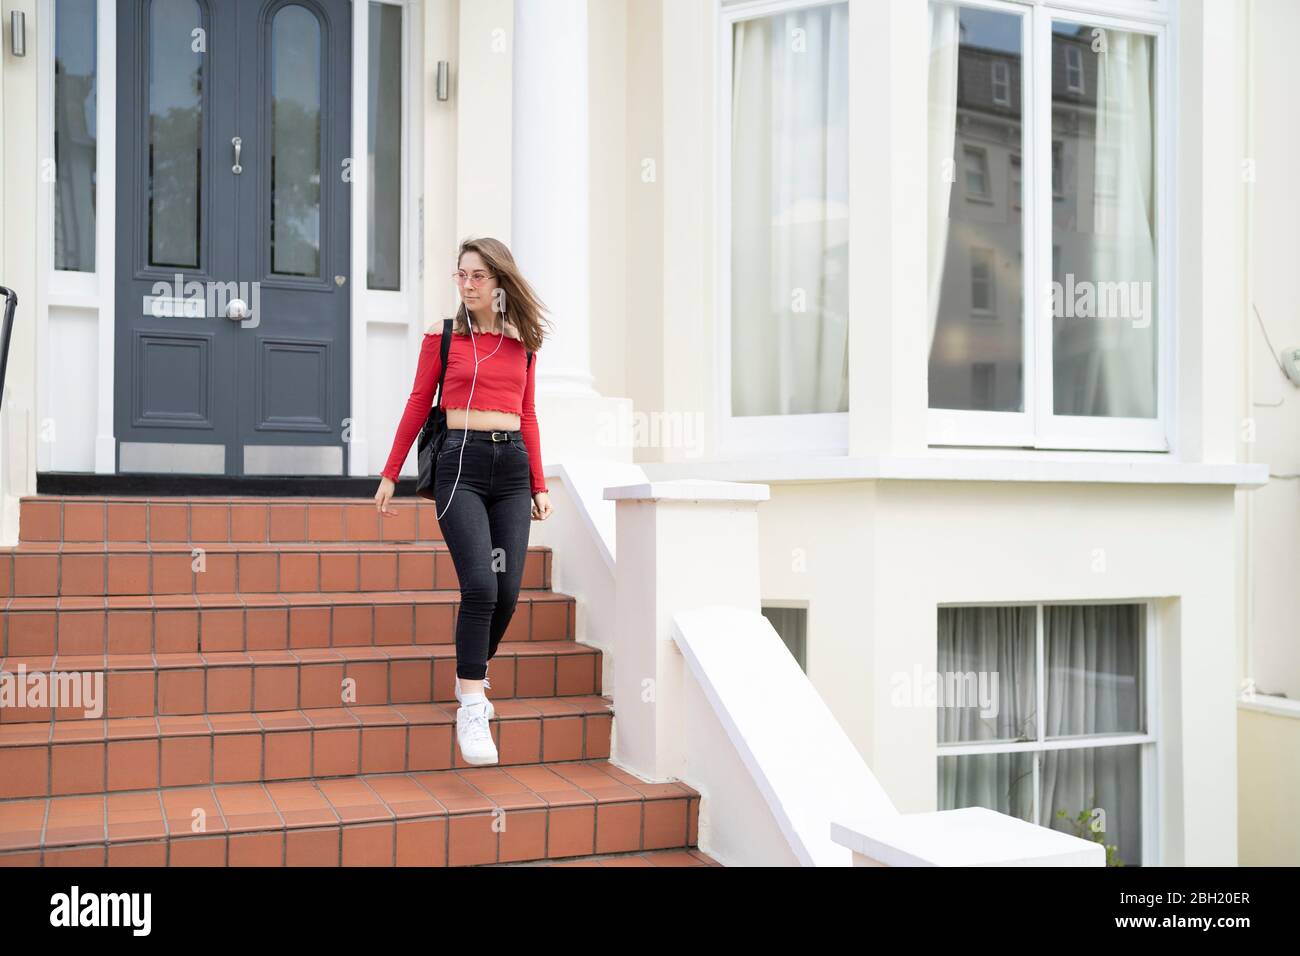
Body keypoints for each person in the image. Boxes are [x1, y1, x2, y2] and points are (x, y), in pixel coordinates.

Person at [374, 237, 554, 766]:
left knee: (509, 590)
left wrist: (539, 483)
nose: (468, 285)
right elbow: (416, 402)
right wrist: (391, 472)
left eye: (478, 276)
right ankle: (472, 703)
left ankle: (468, 672)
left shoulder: (524, 341)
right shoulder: (444, 336)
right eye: (462, 275)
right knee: (479, 583)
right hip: (460, 466)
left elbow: (529, 414)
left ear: (500, 282)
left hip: (513, 468)